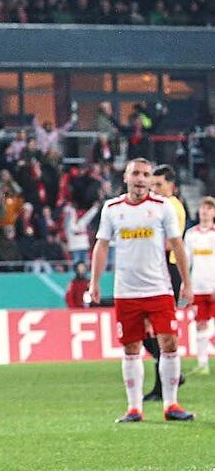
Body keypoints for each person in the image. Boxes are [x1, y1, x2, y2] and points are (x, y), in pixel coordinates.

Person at [88, 158, 194, 424]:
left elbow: (177, 245)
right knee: (131, 347)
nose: (141, 178)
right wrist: (94, 282)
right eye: (136, 173)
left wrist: (186, 283)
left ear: (150, 180)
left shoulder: (163, 208)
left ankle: (171, 404)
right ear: (126, 177)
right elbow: (101, 246)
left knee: (169, 343)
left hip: (159, 287)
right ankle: (134, 408)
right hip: (126, 291)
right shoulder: (112, 209)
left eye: (146, 174)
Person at [143, 164, 186, 401]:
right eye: (153, 185)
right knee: (145, 330)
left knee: (158, 331)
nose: (156, 190)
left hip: (167, 269)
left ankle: (163, 386)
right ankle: (171, 375)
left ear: (172, 186)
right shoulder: (160, 206)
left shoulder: (171, 207)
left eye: (159, 185)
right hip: (157, 269)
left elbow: (170, 243)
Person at [184, 196, 215, 375]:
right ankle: (203, 363)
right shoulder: (191, 234)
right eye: (203, 207)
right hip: (198, 286)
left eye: (209, 208)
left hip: (213, 285)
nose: (205, 210)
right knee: (200, 324)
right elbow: (187, 261)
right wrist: (185, 284)